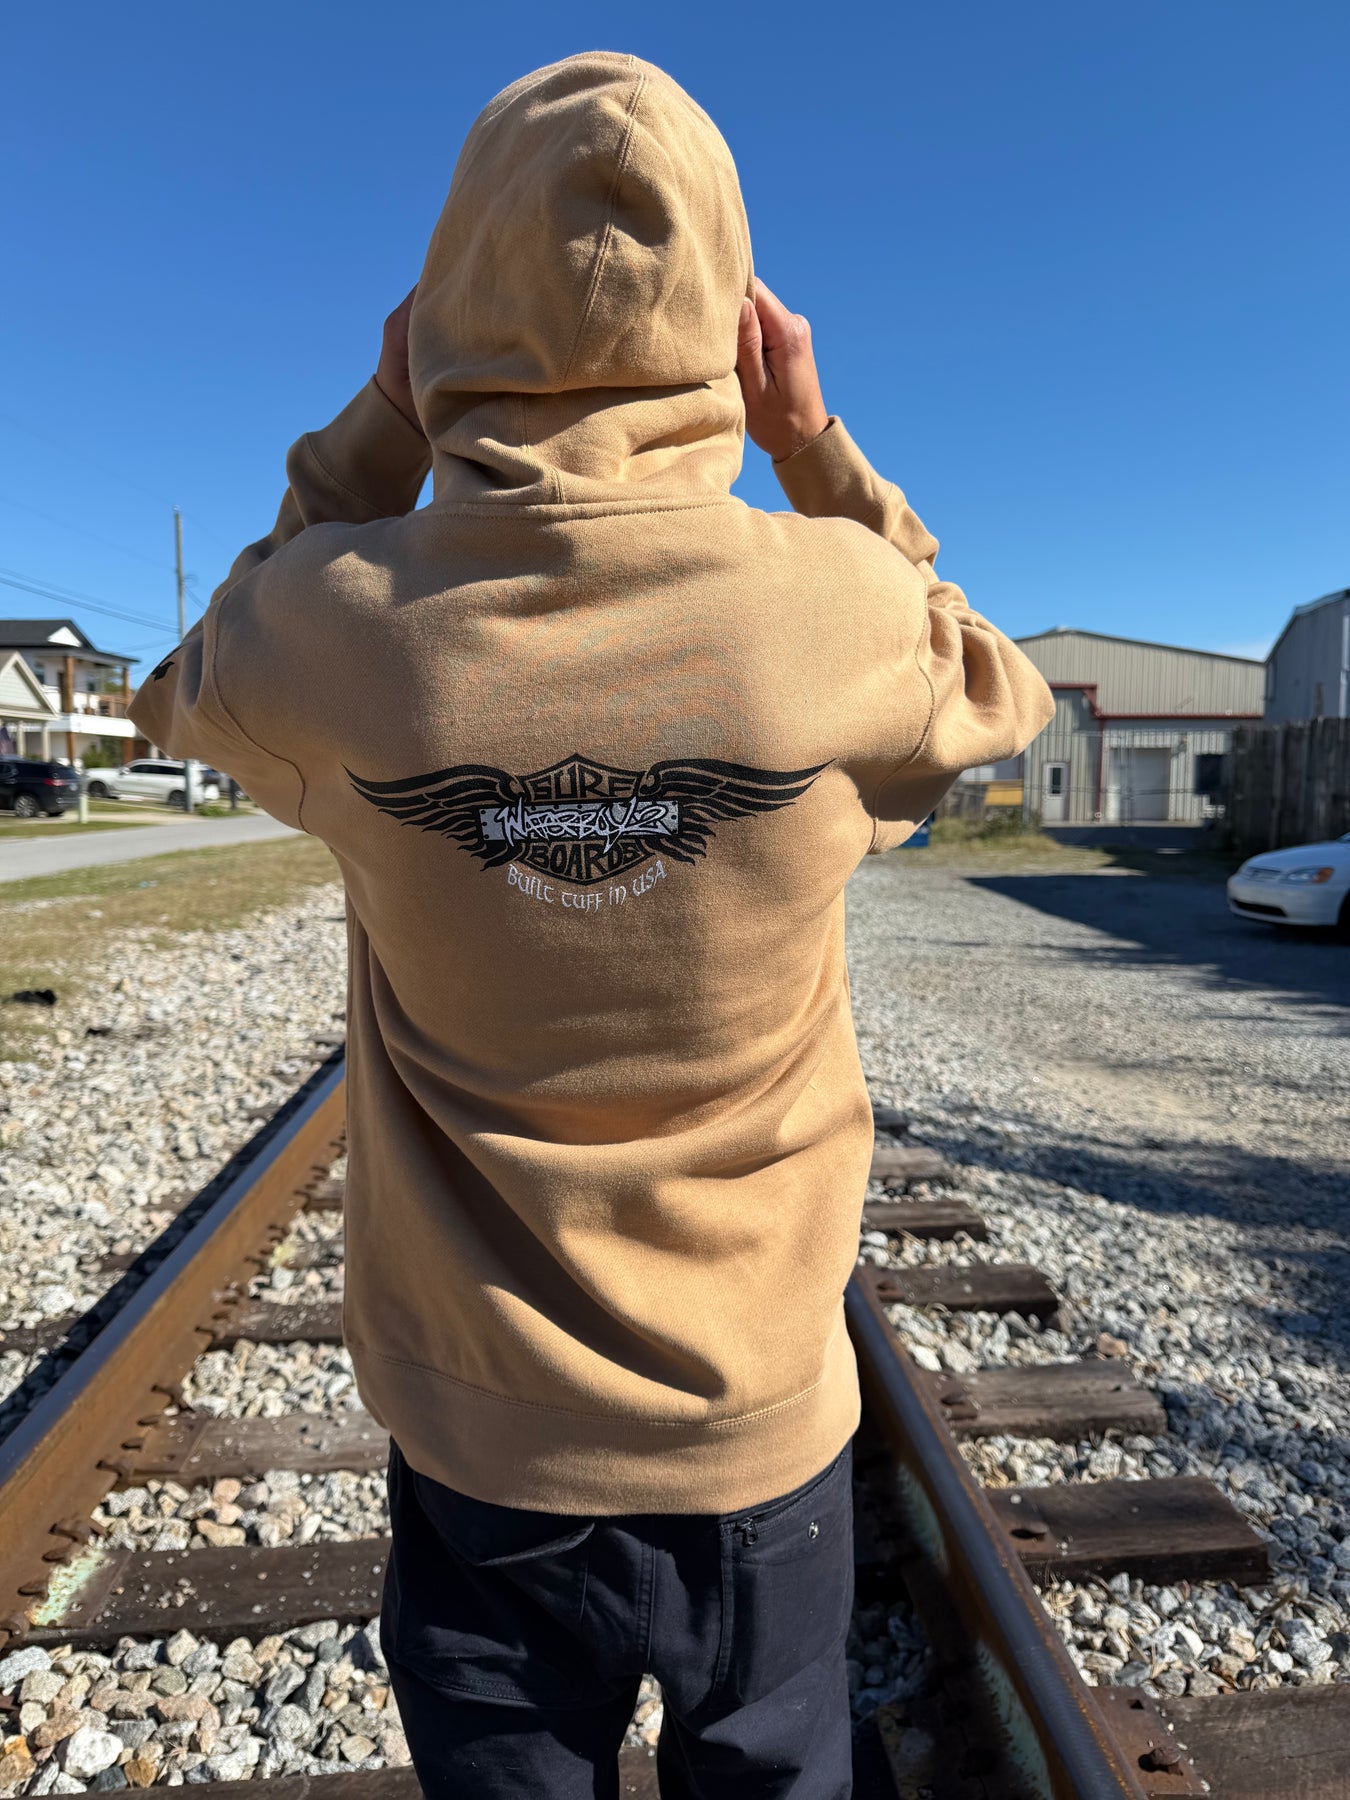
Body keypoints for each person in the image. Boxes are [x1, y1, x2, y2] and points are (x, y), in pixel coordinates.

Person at [131, 51, 1053, 1800]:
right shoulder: (840, 613)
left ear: (446, 302)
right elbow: (993, 682)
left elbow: (190, 676)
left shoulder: (338, 622)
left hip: (478, 1435)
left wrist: (380, 427)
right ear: (728, 312)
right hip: (756, 1424)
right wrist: (812, 448)